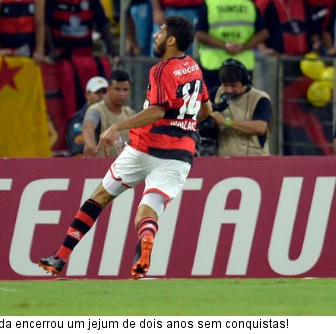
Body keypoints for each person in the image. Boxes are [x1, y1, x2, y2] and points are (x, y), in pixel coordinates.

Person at [39, 15, 212, 279]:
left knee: (99, 197)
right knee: (148, 210)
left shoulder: (161, 70)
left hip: (144, 147)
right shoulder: (194, 68)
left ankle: (60, 257)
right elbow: (206, 109)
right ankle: (146, 239)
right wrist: (186, 126)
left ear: (172, 40)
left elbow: (156, 110)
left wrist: (116, 127)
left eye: (161, 32)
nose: (156, 35)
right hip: (179, 154)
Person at [45, 0, 115, 109]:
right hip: (62, 56)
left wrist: (112, 51)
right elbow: (45, 25)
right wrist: (50, 50)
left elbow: (102, 23)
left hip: (85, 54)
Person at [196, 0, 268, 92]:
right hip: (242, 64)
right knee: (242, 106)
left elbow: (200, 35)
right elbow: (263, 33)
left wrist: (225, 45)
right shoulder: (248, 5)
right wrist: (243, 47)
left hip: (213, 64)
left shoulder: (208, 5)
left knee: (213, 105)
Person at [206, 59, 272, 156]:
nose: (228, 90)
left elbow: (260, 127)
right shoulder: (215, 93)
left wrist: (225, 121)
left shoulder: (260, 98)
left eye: (233, 86)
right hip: (223, 161)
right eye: (225, 85)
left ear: (245, 82)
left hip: (254, 161)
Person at [81, 70, 136, 158]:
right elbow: (88, 127)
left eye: (125, 90)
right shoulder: (96, 110)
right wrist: (91, 148)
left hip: (125, 168)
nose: (122, 94)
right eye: (117, 89)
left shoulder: (130, 113)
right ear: (108, 90)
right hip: (101, 168)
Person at [66, 76, 108, 157]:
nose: (101, 96)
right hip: (91, 167)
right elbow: (78, 154)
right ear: (87, 95)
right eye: (97, 92)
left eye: (104, 92)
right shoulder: (79, 120)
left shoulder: (113, 116)